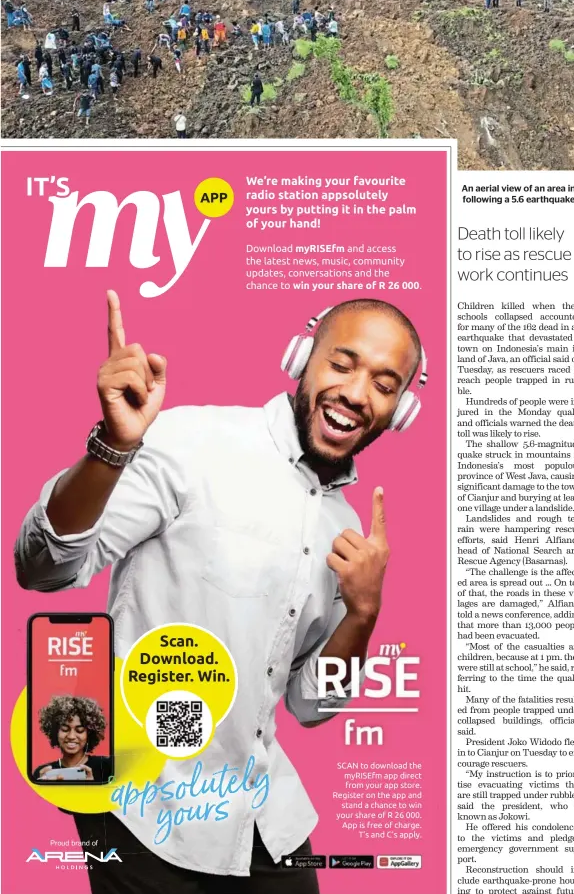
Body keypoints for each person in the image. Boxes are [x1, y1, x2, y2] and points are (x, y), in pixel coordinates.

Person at [16, 294, 422, 889]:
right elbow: (43, 567)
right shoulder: (193, 442)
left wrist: (364, 612)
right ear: (302, 358)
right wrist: (111, 447)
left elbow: (310, 706)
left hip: (268, 820)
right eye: (342, 364)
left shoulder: (347, 531)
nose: (358, 394)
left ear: (401, 409)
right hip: (146, 814)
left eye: (384, 384)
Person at [31, 696, 112, 783]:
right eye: (65, 729)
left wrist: (92, 789)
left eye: (79, 730)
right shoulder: (43, 772)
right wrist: (42, 789)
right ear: (55, 732)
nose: (71, 736)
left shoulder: (106, 766)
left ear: (89, 734)